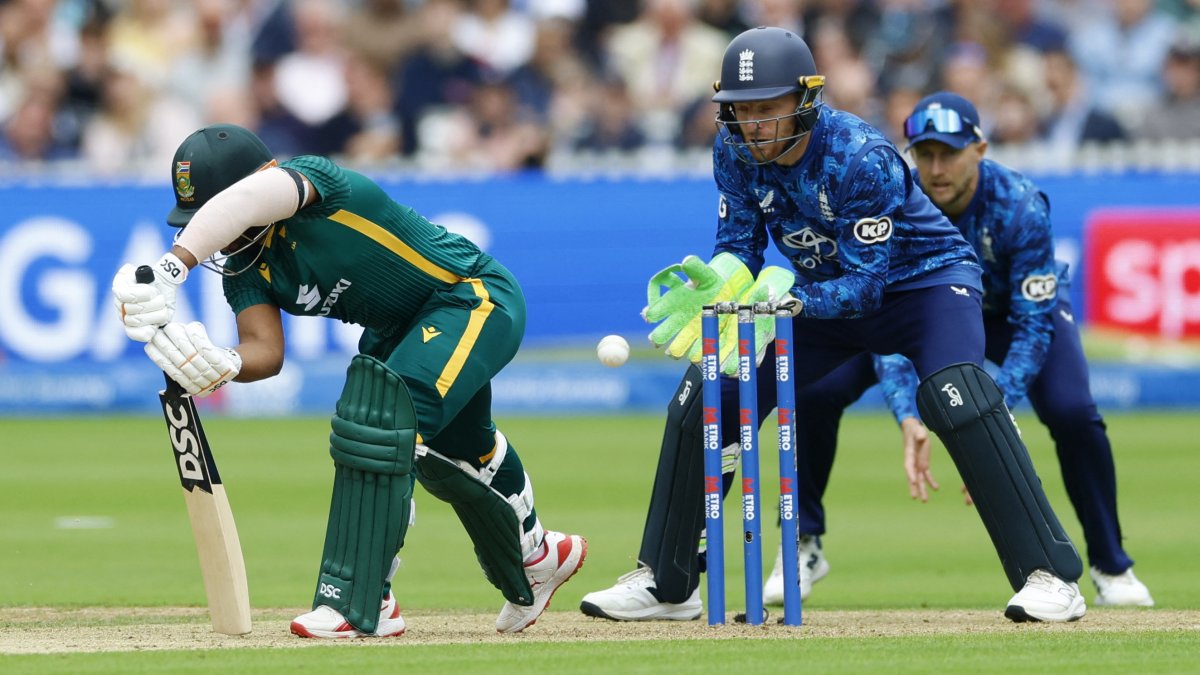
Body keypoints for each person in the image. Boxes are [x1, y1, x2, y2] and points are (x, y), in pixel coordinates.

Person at [581, 26, 1086, 624]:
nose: (753, 126)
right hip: (817, 295)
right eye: (740, 111)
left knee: (956, 396)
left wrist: (788, 298)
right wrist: (719, 284)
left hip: (923, 288)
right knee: (708, 393)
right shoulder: (733, 149)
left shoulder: (859, 157)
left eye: (768, 110)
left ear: (805, 101)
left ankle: (1050, 577)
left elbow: (869, 286)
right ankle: (668, 585)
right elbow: (740, 248)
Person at [111, 123, 586, 638]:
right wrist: (218, 362)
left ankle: (363, 600)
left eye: (208, 218)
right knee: (460, 450)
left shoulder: (315, 184)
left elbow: (252, 199)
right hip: (397, 332)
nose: (216, 239)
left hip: (469, 297)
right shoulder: (247, 266)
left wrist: (172, 265)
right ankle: (540, 554)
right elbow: (265, 353)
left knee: (380, 426)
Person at [756, 92, 1154, 609]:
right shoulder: (889, 193)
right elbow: (885, 318)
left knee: (1073, 411)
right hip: (917, 318)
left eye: (950, 153)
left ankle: (1110, 564)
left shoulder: (1020, 204)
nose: (937, 168)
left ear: (980, 149)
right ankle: (804, 544)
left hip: (1011, 319)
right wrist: (910, 415)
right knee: (814, 388)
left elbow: (1034, 327)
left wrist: (989, 415)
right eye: (925, 154)